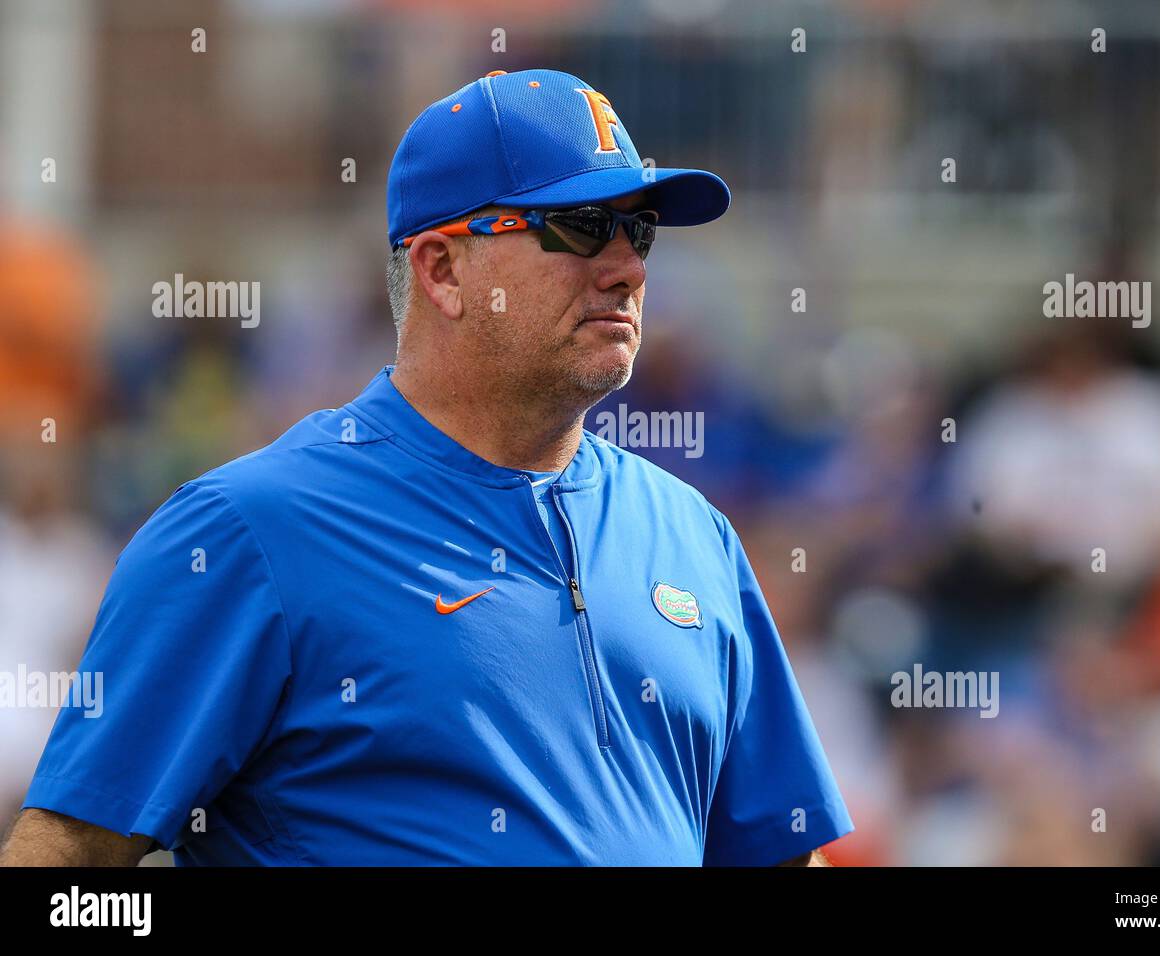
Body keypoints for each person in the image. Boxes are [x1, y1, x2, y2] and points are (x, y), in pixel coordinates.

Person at [1, 68, 853, 866]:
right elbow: (71, 860)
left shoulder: (691, 533)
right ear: (442, 269)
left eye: (639, 229)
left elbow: (783, 851)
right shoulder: (248, 531)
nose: (628, 267)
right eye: (583, 227)